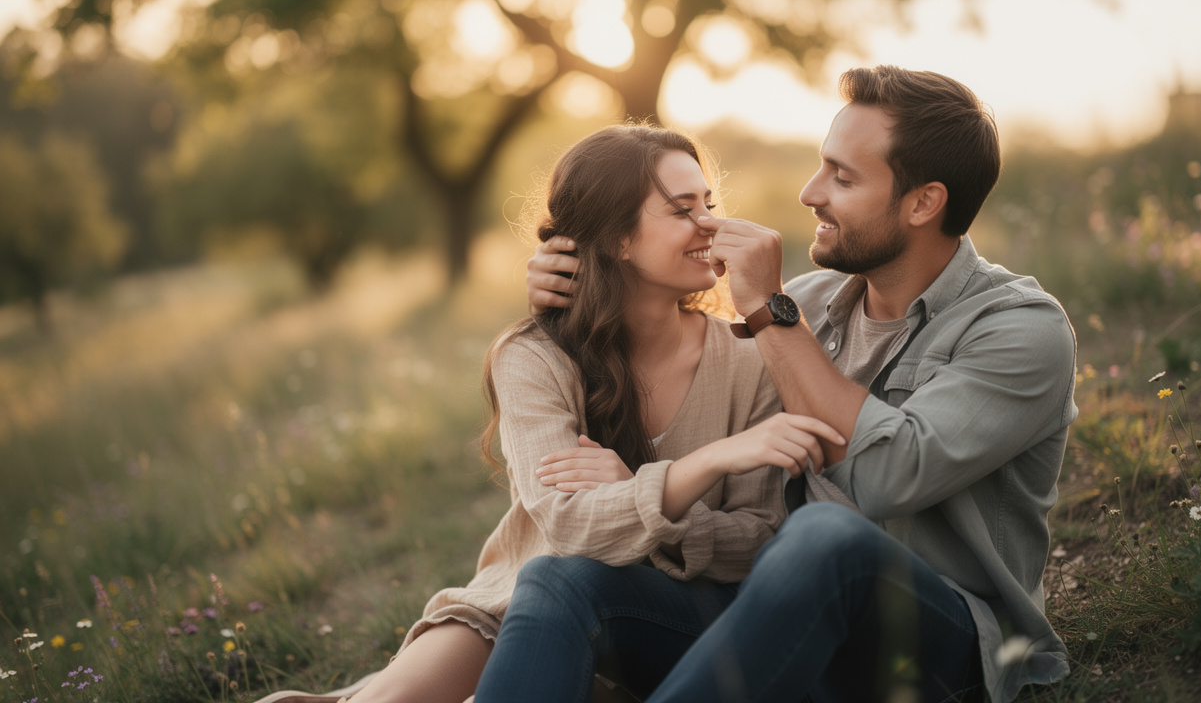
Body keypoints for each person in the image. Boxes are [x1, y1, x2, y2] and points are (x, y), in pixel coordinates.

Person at [494, 65, 1077, 703]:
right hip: (776, 612)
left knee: (824, 537)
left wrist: (768, 309)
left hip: (933, 640)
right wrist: (577, 279)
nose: (808, 192)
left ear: (923, 203)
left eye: (842, 177)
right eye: (820, 166)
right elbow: (663, 342)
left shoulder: (1019, 329)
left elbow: (887, 477)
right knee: (559, 580)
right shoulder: (811, 303)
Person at [255, 125, 844, 703]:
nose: (711, 224)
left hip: (669, 615)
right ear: (616, 239)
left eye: (708, 204)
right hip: (524, 589)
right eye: (681, 209)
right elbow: (568, 528)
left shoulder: (749, 359)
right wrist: (701, 467)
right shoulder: (533, 356)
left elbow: (758, 540)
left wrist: (641, 495)